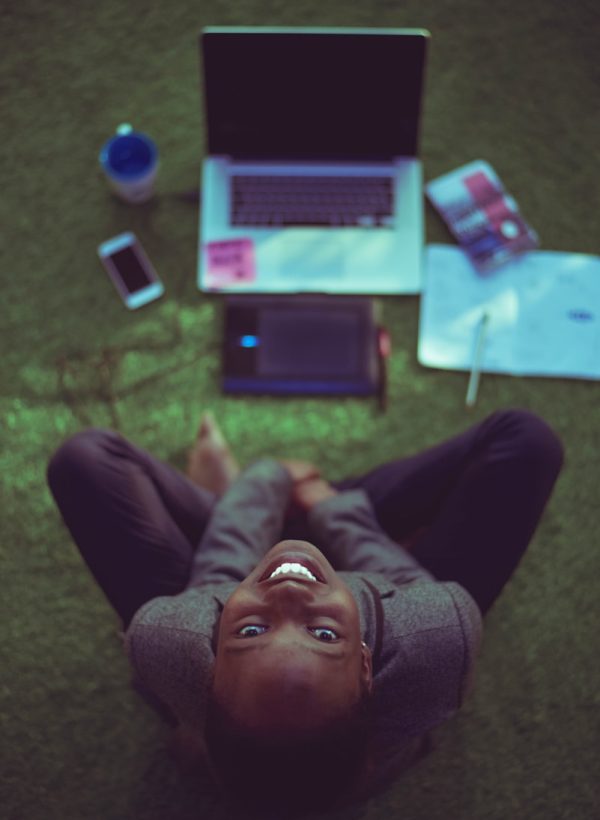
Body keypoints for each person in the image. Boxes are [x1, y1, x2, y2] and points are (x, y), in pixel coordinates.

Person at [47, 408, 563, 813]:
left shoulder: (168, 638)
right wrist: (325, 504)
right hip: (368, 545)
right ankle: (308, 505)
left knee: (83, 459)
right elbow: (398, 575)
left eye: (251, 629)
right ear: (367, 665)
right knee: (528, 441)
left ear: (206, 668)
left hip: (240, 564)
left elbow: (224, 569)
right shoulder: (436, 634)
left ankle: (230, 497)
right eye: (322, 635)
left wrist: (267, 479)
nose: (289, 595)